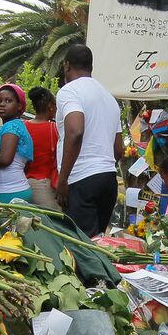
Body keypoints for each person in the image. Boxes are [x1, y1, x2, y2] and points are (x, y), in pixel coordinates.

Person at [55, 44, 124, 236]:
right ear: (90, 67)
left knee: (83, 250)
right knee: (97, 243)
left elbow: (76, 131)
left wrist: (63, 180)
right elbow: (119, 149)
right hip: (108, 179)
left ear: (67, 66)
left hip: (81, 179)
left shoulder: (69, 91)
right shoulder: (109, 98)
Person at [0, 84, 34, 204]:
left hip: (8, 194)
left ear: (19, 106)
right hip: (16, 188)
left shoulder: (12, 126)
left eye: (8, 101)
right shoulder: (19, 126)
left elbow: (5, 160)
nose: (2, 104)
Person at [23, 87, 60, 209]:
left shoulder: (23, 126)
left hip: (24, 183)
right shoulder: (54, 129)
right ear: (50, 106)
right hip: (45, 185)